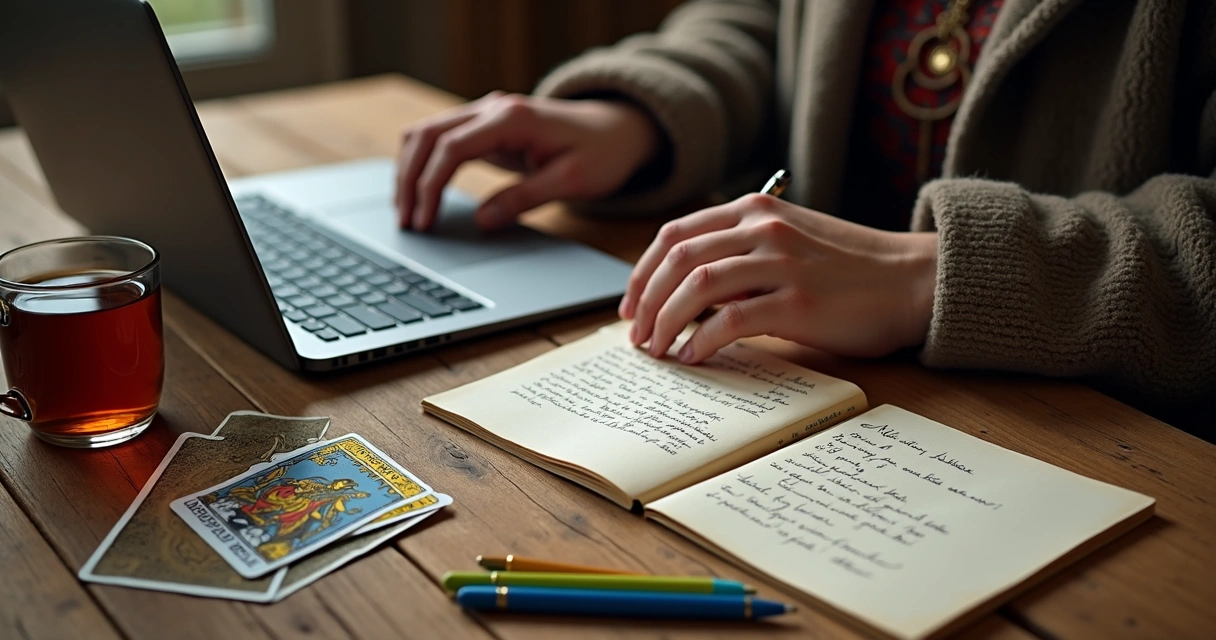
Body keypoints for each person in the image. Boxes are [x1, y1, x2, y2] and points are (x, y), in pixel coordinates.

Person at [392, 0, 1215, 433]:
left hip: (1106, 436)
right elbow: (762, 20)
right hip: (815, 381)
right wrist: (640, 116)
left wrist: (928, 274)